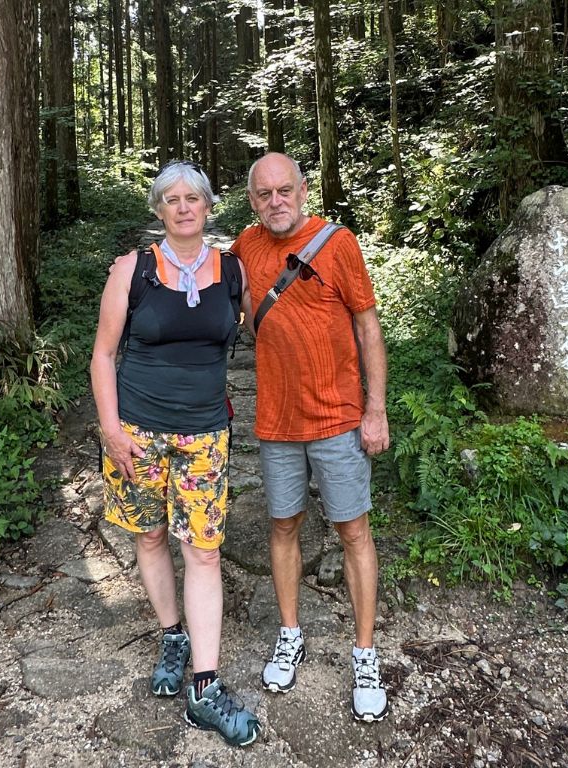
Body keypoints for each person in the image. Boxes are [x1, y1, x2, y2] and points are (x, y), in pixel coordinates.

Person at [90, 160, 260, 747]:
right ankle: (172, 634)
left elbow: (265, 327)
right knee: (150, 536)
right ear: (159, 209)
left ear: (209, 206)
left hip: (205, 433)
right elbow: (103, 355)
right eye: (172, 199)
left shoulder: (232, 270)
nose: (184, 208)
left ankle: (205, 688)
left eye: (193, 198)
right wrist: (111, 430)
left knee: (204, 551)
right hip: (137, 432)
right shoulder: (132, 270)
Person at [232, 152, 391, 722]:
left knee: (354, 530)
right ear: (252, 200)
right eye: (264, 193)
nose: (275, 201)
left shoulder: (338, 243)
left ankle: (365, 654)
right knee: (283, 526)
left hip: (338, 419)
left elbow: (368, 328)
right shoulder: (245, 247)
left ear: (303, 190)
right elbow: (207, 283)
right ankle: (290, 634)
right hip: (276, 422)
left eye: (284, 190)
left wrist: (375, 410)